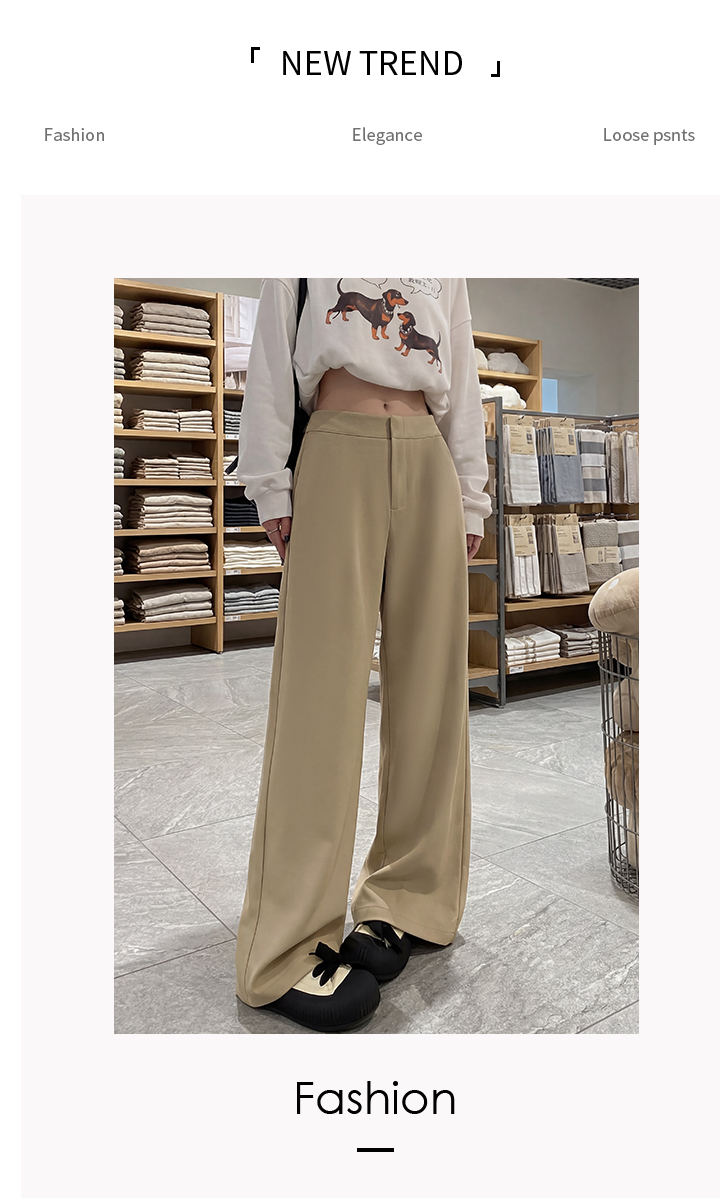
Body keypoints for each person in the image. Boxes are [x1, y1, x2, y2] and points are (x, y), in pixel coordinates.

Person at [234, 278, 491, 1032]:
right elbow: (273, 356)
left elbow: (461, 371)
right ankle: (283, 946)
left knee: (432, 698)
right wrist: (270, 486)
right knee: (317, 702)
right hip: (335, 450)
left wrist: (470, 494)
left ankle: (409, 896)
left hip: (428, 458)